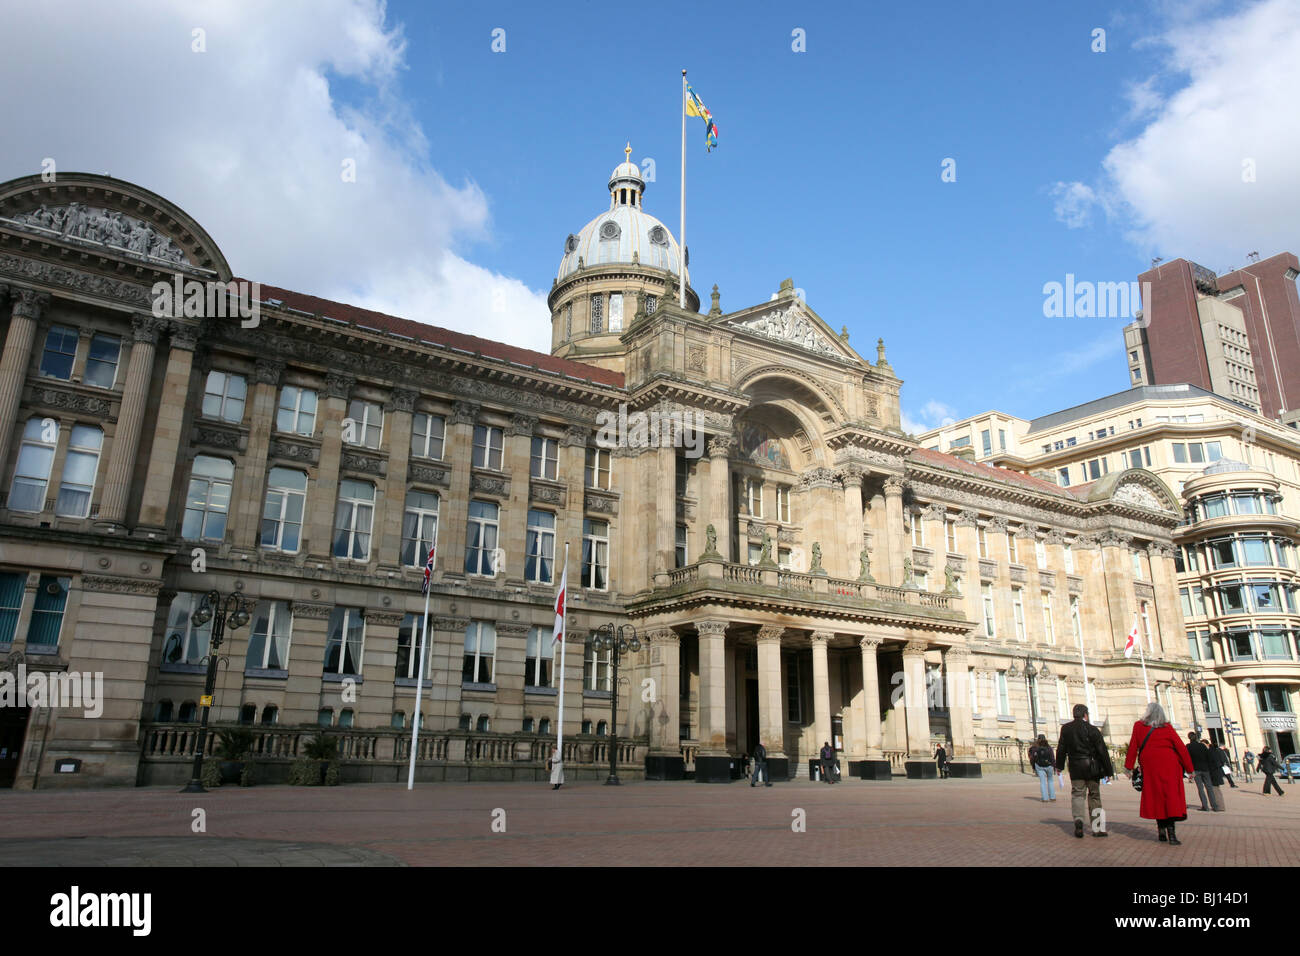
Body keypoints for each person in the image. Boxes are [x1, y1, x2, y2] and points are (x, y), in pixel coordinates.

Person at [1125, 701, 1194, 844]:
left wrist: (1128, 767)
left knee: (1157, 798)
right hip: (1170, 767)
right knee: (1170, 799)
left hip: (1151, 767)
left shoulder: (1139, 726)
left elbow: (1133, 746)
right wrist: (1189, 769)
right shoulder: (1167, 727)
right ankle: (1172, 834)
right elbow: (1181, 748)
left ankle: (1161, 831)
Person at [1055, 703, 1113, 838]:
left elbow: (1061, 748)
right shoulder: (1093, 730)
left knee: (1077, 794)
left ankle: (1078, 820)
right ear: (1086, 715)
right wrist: (1108, 771)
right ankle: (1097, 828)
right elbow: (1102, 751)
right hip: (1092, 767)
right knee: (1094, 796)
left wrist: (1059, 765)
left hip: (1075, 766)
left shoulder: (1066, 729)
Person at [1186, 731, 1223, 812]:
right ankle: (1215, 806)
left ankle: (1205, 806)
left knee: (1200, 789)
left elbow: (1187, 758)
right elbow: (1208, 756)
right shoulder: (1202, 746)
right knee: (1209, 788)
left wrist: (1188, 770)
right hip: (1205, 769)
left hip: (1195, 770)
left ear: (1189, 738)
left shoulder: (1188, 746)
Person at [1028, 734, 1056, 801]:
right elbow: (1052, 758)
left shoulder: (1035, 748)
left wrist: (1033, 767)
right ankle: (1052, 797)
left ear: (1038, 739)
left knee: (1043, 782)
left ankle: (1045, 798)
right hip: (1049, 766)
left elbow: (1032, 759)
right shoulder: (1049, 747)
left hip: (1039, 766)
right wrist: (1054, 766)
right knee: (1050, 781)